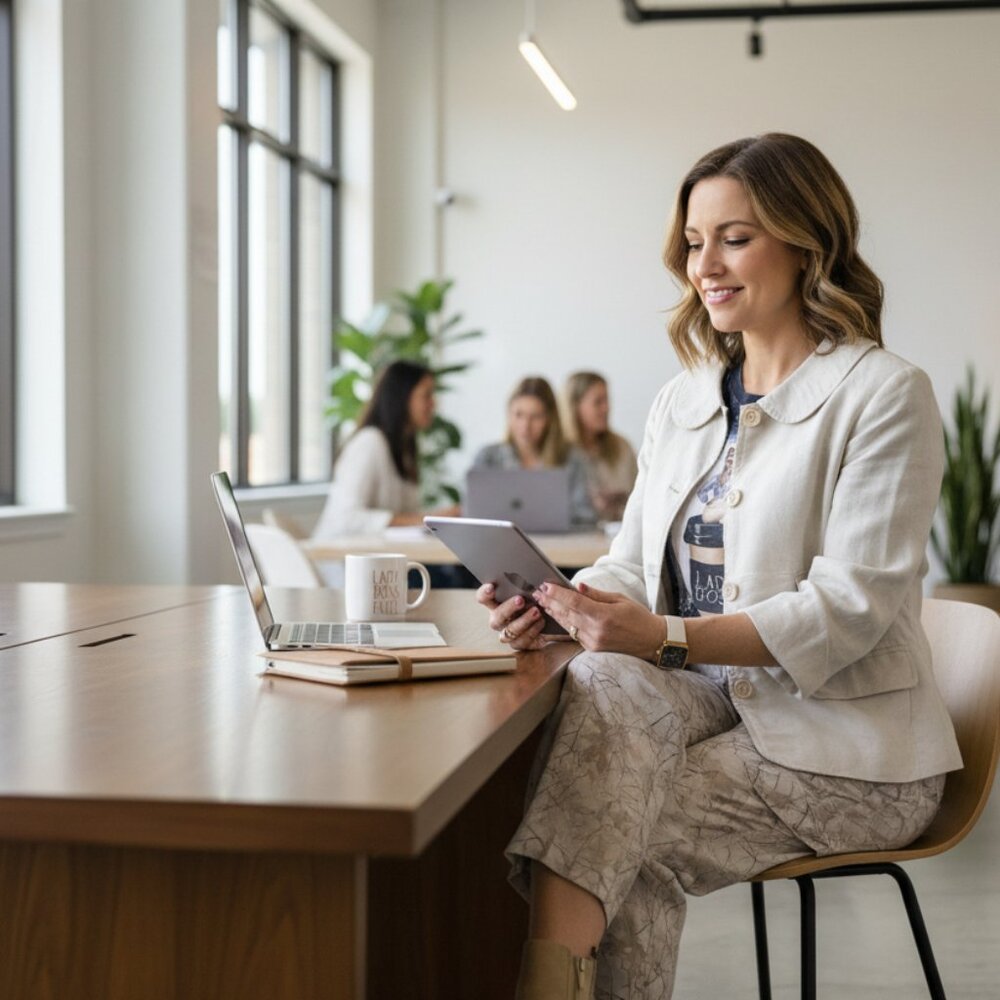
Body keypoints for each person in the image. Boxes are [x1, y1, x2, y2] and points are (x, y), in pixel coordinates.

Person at [476, 133, 962, 1000]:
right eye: (695, 243)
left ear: (808, 241)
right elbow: (631, 565)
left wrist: (663, 636)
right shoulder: (685, 398)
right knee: (606, 690)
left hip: (853, 751)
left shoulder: (884, 393)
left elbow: (848, 608)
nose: (706, 264)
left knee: (613, 822)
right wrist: (568, 604)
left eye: (734, 237)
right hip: (711, 709)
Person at [312, 360, 458, 538]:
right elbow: (347, 518)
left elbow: (406, 515)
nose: (433, 403)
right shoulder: (370, 442)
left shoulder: (405, 448)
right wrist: (428, 519)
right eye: (426, 395)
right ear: (402, 397)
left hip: (382, 558)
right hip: (344, 559)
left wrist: (437, 519)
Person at [472, 376, 596, 527]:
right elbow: (474, 513)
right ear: (509, 414)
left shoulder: (572, 458)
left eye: (536, 417)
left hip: (559, 545)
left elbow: (585, 516)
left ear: (550, 419)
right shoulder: (488, 457)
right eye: (519, 415)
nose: (525, 426)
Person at [563, 372, 638, 522]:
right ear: (575, 406)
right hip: (572, 540)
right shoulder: (560, 453)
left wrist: (620, 502)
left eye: (607, 400)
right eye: (598, 402)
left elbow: (641, 498)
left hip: (615, 535)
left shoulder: (622, 447)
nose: (606, 408)